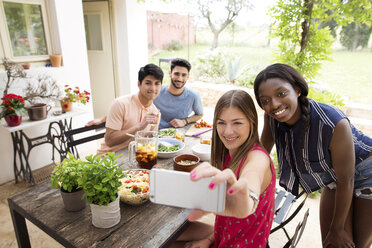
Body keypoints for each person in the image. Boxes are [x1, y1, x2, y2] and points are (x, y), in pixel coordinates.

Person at [253, 63, 372, 248]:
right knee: (331, 243)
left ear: (297, 90)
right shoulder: (272, 118)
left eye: (281, 94)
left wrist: (338, 228)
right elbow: (260, 155)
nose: (274, 104)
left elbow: (346, 179)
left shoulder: (332, 122)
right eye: (265, 100)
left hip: (367, 171)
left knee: (355, 243)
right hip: (336, 178)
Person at [178, 90, 276, 247]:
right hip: (220, 237)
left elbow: (251, 181)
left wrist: (247, 201)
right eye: (221, 122)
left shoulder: (258, 157)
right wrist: (208, 240)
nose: (227, 131)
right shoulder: (227, 154)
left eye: (237, 123)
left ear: (252, 123)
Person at [96, 63, 163, 155]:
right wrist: (138, 127)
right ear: (139, 84)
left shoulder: (155, 112)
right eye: (148, 83)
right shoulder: (120, 104)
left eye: (157, 84)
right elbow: (109, 141)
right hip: (110, 156)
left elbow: (150, 141)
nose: (153, 88)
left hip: (134, 155)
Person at [153, 58, 203, 128]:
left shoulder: (193, 96)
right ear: (170, 73)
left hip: (178, 135)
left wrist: (184, 121)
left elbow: (199, 114)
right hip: (155, 133)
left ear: (188, 76)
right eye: (176, 74)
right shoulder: (156, 91)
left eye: (184, 75)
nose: (179, 79)